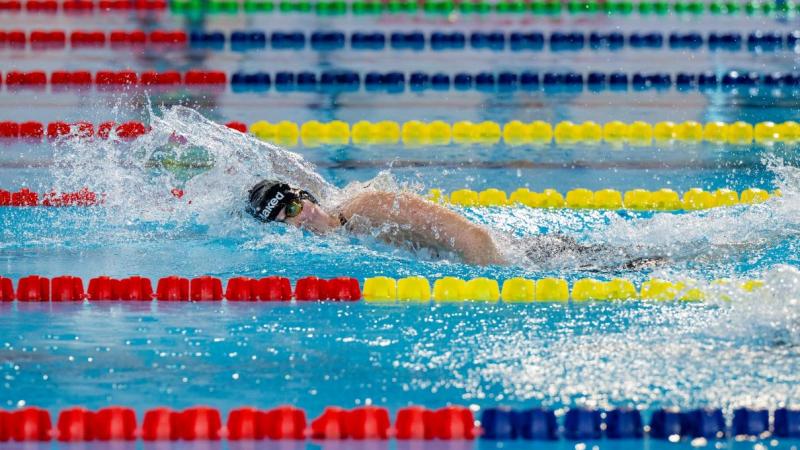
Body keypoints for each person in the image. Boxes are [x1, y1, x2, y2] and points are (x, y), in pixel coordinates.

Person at [246, 180, 664, 268]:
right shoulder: (341, 242)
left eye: (294, 211)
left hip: (539, 260)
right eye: (283, 224)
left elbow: (473, 235)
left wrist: (495, 282)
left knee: (659, 264)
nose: (295, 226)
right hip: (522, 262)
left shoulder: (368, 208)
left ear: (307, 199)